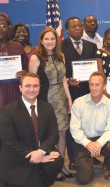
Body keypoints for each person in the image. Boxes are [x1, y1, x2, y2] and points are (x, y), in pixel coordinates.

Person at [0, 73, 63, 187]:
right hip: (19, 157)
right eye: (27, 86)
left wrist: (41, 152)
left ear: (39, 87)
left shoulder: (47, 107)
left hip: (40, 150)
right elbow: (10, 142)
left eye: (35, 86)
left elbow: (54, 134)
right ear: (20, 88)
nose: (32, 89)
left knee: (56, 160)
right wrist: (36, 156)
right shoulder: (8, 110)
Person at [28, 27, 74, 181]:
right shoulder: (36, 58)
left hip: (60, 99)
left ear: (57, 40)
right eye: (46, 39)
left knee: (62, 134)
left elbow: (63, 79)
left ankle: (61, 165)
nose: (50, 42)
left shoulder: (61, 56)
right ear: (41, 41)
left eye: (52, 39)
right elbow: (31, 83)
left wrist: (69, 99)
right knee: (48, 134)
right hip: (44, 100)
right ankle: (51, 167)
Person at [0, 12, 28, 187]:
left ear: (8, 28)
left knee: (17, 137)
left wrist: (23, 74)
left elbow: (27, 72)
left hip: (14, 98)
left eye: (3, 25)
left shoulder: (16, 47)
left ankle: (16, 173)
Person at [62, 17, 98, 171]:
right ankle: (72, 158)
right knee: (73, 127)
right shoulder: (61, 46)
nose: (78, 28)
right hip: (71, 93)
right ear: (67, 30)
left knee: (89, 125)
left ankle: (90, 155)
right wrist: (68, 80)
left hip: (89, 93)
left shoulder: (91, 45)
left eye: (79, 25)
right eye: (74, 26)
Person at [70, 71, 110, 184]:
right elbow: (74, 129)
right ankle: (89, 160)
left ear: (104, 87)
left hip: (101, 140)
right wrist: (88, 144)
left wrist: (98, 144)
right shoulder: (78, 103)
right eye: (91, 84)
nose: (94, 88)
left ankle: (107, 167)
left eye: (97, 84)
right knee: (83, 180)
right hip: (83, 142)